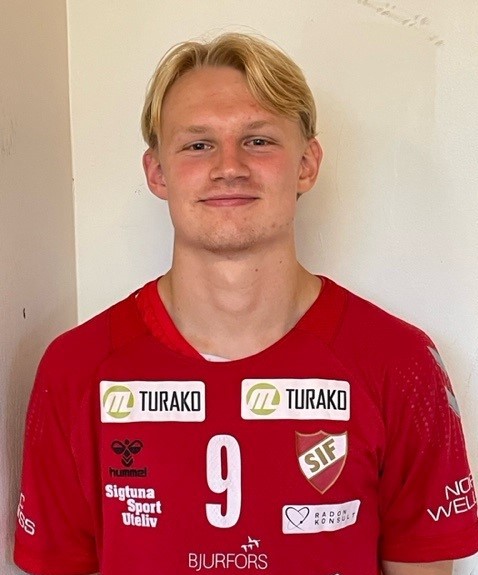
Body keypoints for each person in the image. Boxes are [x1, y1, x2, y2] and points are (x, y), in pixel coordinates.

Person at [14, 32, 478, 575]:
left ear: (306, 164)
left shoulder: (402, 364)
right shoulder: (75, 370)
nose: (229, 166)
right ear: (157, 172)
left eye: (258, 141)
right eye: (198, 145)